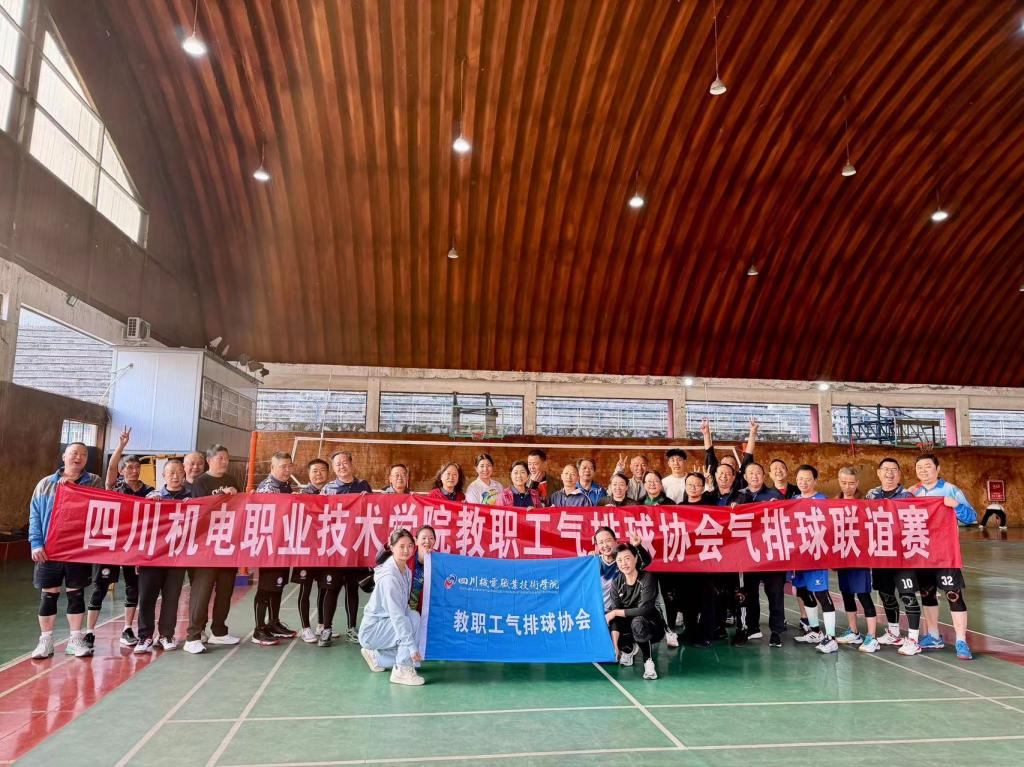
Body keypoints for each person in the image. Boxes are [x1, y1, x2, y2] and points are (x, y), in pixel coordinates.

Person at [29, 442, 104, 659]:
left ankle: (75, 640)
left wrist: (73, 490)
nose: (78, 457)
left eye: (83, 454)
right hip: (49, 550)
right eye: (74, 453)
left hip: (77, 550)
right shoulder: (45, 484)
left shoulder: (94, 481)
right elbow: (35, 514)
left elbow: (102, 505)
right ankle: (45, 641)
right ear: (64, 456)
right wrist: (36, 543)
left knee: (76, 594)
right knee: (48, 595)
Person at [87, 426, 152, 649]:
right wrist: (121, 446)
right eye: (129, 467)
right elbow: (111, 466)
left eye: (137, 467)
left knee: (133, 587)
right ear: (122, 471)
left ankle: (127, 629)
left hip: (135, 546)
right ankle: (89, 632)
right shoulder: (115, 487)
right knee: (100, 587)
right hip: (112, 545)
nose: (134, 471)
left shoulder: (149, 491)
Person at [908, 453, 977, 660]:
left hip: (945, 553)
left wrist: (956, 505)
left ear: (937, 469)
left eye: (928, 466)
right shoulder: (912, 492)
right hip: (921, 553)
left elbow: (971, 517)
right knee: (927, 594)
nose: (923, 470)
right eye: (919, 467)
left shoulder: (951, 490)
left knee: (953, 595)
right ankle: (933, 635)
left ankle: (961, 640)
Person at [183, 444, 241, 655]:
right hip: (206, 547)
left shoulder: (232, 480)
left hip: (228, 544)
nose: (224, 462)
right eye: (220, 458)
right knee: (202, 590)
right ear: (209, 461)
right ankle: (193, 636)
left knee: (225, 589)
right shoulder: (200, 482)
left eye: (226, 458)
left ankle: (219, 630)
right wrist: (221, 497)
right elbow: (201, 510)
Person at [864, 458, 919, 654]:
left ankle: (913, 639)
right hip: (881, 553)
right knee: (886, 593)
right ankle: (894, 633)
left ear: (899, 474)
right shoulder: (871, 495)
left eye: (894, 469)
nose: (889, 473)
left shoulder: (907, 496)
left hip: (903, 555)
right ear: (878, 473)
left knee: (907, 595)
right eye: (885, 469)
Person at [135, 459, 190, 653]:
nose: (175, 476)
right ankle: (145, 637)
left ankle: (166, 634)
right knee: (146, 597)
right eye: (171, 472)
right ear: (163, 475)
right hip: (153, 556)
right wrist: (149, 505)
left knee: (171, 597)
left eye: (179, 472)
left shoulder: (192, 499)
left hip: (177, 557)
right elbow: (139, 525)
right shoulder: (152, 497)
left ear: (184, 474)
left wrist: (192, 507)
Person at [359, 529, 425, 686]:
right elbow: (397, 617)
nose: (406, 550)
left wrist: (412, 647)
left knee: (414, 616)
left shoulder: (405, 571)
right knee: (409, 627)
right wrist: (412, 647)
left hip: (385, 624)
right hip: (373, 630)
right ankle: (401, 670)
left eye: (410, 546)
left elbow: (404, 608)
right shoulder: (390, 578)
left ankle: (376, 658)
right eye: (401, 546)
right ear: (392, 547)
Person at [320, 451, 374, 645]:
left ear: (351, 464)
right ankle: (326, 629)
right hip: (335, 548)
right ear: (334, 469)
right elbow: (319, 515)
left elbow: (373, 512)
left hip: (355, 548)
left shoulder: (363, 486)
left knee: (352, 589)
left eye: (344, 462)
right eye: (338, 464)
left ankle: (352, 628)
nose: (342, 466)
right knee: (331, 589)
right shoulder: (328, 489)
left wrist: (368, 499)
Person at [734, 463, 785, 647]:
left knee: (775, 594)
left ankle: (776, 631)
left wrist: (777, 507)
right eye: (750, 473)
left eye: (758, 473)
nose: (754, 476)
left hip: (772, 554)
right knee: (749, 593)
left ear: (764, 476)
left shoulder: (774, 495)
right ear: (745, 477)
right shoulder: (739, 496)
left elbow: (786, 518)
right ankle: (751, 627)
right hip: (749, 554)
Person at [790, 464, 838, 654]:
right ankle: (815, 631)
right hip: (799, 556)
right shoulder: (793, 500)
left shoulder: (822, 501)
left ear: (815, 481)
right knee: (803, 591)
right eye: (800, 479)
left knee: (821, 594)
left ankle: (831, 638)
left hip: (816, 556)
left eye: (808, 479)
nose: (803, 482)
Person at [252, 452, 297, 646]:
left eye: (289, 466)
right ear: (272, 468)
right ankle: (259, 629)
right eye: (282, 467)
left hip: (282, 544)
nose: (287, 470)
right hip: (269, 546)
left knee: (278, 585)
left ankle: (273, 622)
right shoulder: (268, 488)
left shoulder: (285, 485)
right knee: (265, 587)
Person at [833, 467, 880, 653]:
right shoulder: (833, 503)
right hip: (842, 556)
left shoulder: (865, 503)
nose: (847, 487)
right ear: (839, 481)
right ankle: (853, 632)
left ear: (857, 483)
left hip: (860, 557)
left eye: (851, 483)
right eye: (844, 483)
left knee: (863, 595)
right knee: (846, 594)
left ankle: (872, 636)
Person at [606, 544, 665, 680]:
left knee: (637, 621)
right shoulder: (616, 584)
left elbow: (644, 609)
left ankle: (648, 662)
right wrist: (615, 646)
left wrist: (615, 612)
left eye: (627, 558)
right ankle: (627, 649)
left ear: (636, 558)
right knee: (608, 618)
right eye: (619, 560)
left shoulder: (647, 577)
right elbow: (615, 615)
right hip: (629, 626)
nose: (623, 563)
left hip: (652, 626)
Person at [293, 458, 330, 643]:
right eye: (315, 470)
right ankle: (305, 627)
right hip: (306, 550)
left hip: (325, 548)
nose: (318, 474)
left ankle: (322, 625)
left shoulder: (333, 493)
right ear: (308, 474)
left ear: (328, 473)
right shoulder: (301, 495)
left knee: (324, 588)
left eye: (322, 470)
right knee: (305, 589)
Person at [409, 526, 435, 612]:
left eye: (431, 538)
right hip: (403, 608)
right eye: (423, 538)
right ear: (416, 541)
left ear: (434, 541)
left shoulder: (437, 562)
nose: (427, 541)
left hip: (423, 612)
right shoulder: (407, 556)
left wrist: (434, 561)